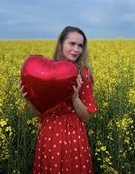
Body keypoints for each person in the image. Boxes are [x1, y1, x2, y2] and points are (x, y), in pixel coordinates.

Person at [20, 26, 98, 174]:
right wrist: (29, 100)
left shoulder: (84, 74)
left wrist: (75, 98)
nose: (76, 49)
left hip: (73, 134)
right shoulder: (43, 72)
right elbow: (41, 114)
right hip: (48, 133)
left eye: (80, 45)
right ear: (61, 43)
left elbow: (86, 117)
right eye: (72, 44)